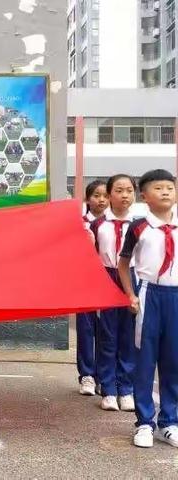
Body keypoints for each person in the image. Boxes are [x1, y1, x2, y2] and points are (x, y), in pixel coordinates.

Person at [118, 169, 178, 448]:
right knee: (145, 360)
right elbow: (123, 262)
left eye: (170, 187)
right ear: (145, 196)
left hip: (175, 297)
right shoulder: (139, 226)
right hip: (148, 295)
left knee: (173, 360)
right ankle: (144, 422)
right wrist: (130, 294)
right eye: (158, 188)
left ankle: (169, 421)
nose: (165, 192)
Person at [90, 174, 137, 412]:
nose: (125, 195)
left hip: (132, 279)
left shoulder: (140, 225)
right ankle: (108, 389)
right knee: (108, 337)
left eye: (129, 190)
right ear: (109, 196)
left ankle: (126, 389)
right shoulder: (98, 225)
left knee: (128, 337)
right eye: (119, 190)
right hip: (106, 277)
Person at [77, 180, 109, 395]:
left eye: (105, 196)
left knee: (108, 331)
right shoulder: (79, 223)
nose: (101, 200)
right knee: (86, 329)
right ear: (88, 199)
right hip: (85, 282)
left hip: (110, 281)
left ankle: (105, 376)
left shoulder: (117, 223)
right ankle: (87, 375)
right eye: (96, 195)